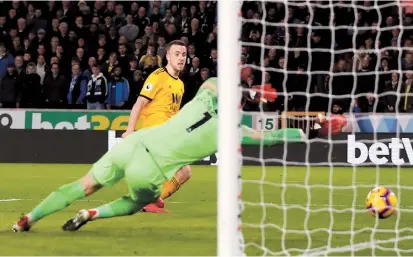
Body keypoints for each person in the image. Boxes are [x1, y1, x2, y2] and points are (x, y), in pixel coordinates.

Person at [12, 77, 344, 232]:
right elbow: (271, 138)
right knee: (134, 202)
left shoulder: (203, 96)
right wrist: (313, 129)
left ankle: (29, 219)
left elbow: (217, 83)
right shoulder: (234, 131)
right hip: (150, 169)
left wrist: (251, 91)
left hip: (133, 144)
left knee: (82, 183)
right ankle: (93, 214)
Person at [122, 39, 187, 213]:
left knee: (184, 172)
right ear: (167, 56)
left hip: (168, 135)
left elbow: (172, 113)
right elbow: (139, 103)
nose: (181, 58)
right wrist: (130, 129)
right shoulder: (157, 76)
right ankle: (147, 198)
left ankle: (150, 200)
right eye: (176, 54)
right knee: (181, 170)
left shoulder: (180, 85)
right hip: (153, 134)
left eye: (184, 54)